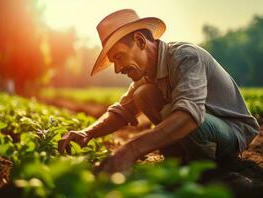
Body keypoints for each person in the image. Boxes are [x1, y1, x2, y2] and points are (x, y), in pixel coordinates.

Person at [58, 9, 260, 173]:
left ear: (140, 41)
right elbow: (122, 110)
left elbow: (189, 117)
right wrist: (86, 133)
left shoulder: (185, 57)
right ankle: (178, 159)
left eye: (119, 56)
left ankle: (211, 171)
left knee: (187, 119)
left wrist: (131, 149)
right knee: (142, 95)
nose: (118, 69)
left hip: (231, 131)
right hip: (202, 123)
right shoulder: (147, 73)